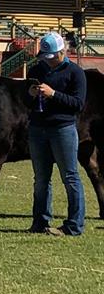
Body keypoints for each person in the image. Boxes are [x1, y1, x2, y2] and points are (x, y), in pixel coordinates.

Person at [27, 31, 87, 236]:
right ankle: (40, 221)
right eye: (45, 57)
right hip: (37, 128)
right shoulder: (36, 70)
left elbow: (78, 104)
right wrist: (31, 95)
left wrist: (54, 95)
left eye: (52, 57)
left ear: (63, 51)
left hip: (63, 129)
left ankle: (74, 224)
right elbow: (26, 103)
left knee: (70, 177)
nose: (48, 62)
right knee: (41, 178)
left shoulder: (75, 73)